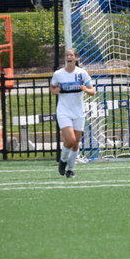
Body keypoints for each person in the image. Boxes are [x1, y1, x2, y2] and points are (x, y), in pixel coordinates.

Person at [50, 49, 95, 178]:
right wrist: (55, 90)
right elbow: (52, 87)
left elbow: (92, 91)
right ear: (65, 58)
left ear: (76, 57)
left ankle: (70, 169)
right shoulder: (58, 74)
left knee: (75, 143)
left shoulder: (82, 73)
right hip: (63, 111)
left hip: (78, 112)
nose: (69, 57)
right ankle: (63, 160)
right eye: (67, 55)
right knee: (70, 139)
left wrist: (85, 89)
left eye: (71, 55)